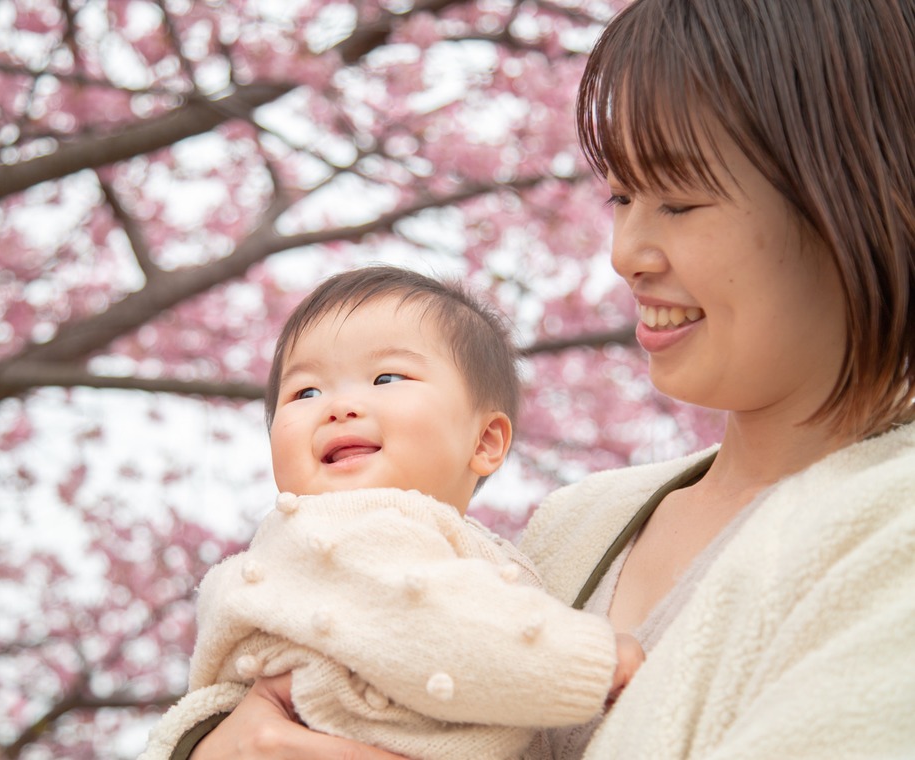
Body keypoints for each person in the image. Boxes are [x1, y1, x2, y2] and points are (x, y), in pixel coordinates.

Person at [171, 0, 915, 758]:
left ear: (859, 192)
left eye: (680, 200)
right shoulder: (578, 521)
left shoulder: (894, 531)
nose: (626, 252)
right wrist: (213, 741)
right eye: (621, 196)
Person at [140, 266, 644, 760]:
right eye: (305, 392)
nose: (338, 407)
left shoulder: (443, 541)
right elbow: (431, 622)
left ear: (486, 440)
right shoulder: (336, 532)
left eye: (386, 377)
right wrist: (590, 663)